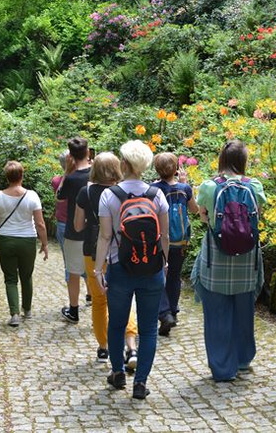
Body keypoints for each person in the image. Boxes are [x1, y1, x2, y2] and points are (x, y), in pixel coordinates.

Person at [95, 140, 169, 400]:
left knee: (116, 324)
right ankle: (140, 383)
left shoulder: (109, 195)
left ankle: (117, 373)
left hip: (120, 268)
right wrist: (165, 263)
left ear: (124, 164)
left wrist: (97, 269)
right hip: (151, 269)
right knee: (148, 329)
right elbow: (164, 236)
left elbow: (104, 237)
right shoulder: (156, 195)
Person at [191, 139, 266, 382]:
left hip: (216, 259)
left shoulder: (209, 186)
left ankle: (223, 369)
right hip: (247, 261)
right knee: (244, 312)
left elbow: (204, 218)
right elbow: (257, 217)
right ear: (242, 161)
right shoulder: (254, 186)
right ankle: (243, 361)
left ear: (222, 160)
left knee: (217, 313)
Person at [72, 152, 139, 364]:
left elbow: (77, 226)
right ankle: (131, 346)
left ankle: (103, 347)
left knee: (99, 301)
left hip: (92, 251)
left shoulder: (86, 192)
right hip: (122, 250)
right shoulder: (122, 190)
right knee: (124, 297)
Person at [0, 161, 49, 327]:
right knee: (26, 276)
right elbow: (40, 223)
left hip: (6, 241)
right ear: (22, 176)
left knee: (10, 279)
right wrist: (45, 243)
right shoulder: (32, 195)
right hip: (27, 240)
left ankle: (14, 315)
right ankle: (27, 310)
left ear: (7, 177)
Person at [151, 152, 201, 336]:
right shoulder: (184, 189)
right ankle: (172, 311)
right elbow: (194, 210)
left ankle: (164, 314)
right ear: (176, 169)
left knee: (157, 276)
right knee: (174, 276)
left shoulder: (153, 189)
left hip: (159, 239)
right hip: (180, 240)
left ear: (156, 169)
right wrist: (186, 184)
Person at [58, 136, 92, 323]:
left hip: (74, 231)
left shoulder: (70, 179)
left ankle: (74, 310)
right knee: (96, 270)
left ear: (70, 155)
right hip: (95, 230)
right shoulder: (96, 174)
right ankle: (99, 304)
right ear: (87, 152)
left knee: (73, 272)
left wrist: (66, 172)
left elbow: (60, 196)